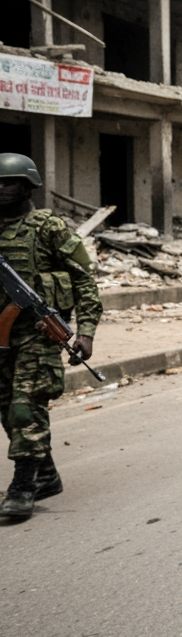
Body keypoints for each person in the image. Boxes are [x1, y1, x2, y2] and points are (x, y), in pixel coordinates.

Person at [0, 154, 101, 520]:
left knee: (26, 406)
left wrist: (86, 332)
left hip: (38, 335)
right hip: (2, 337)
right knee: (8, 413)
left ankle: (22, 487)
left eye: (7, 182)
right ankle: (45, 474)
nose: (0, 188)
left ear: (27, 186)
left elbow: (84, 280)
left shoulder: (48, 227)